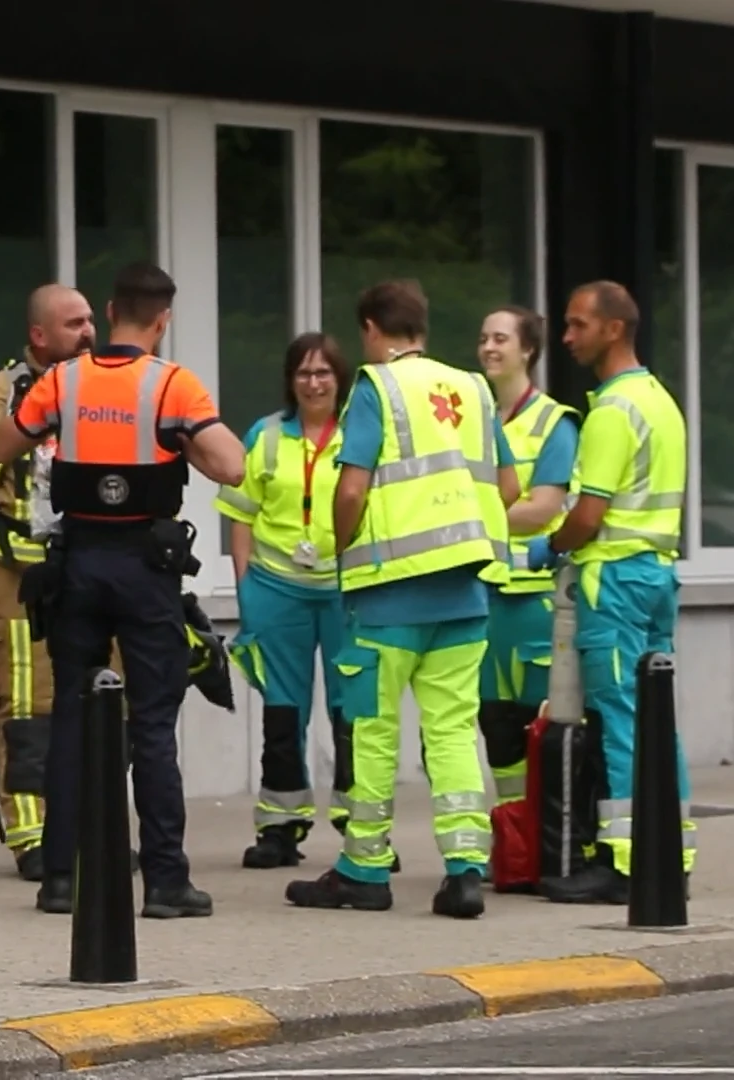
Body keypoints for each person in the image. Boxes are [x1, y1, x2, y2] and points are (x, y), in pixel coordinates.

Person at [0, 261, 245, 919]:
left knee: (72, 718)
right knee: (153, 726)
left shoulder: (64, 380)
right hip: (144, 569)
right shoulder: (172, 386)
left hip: (77, 566)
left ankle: (62, 880)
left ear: (107, 311)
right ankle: (164, 883)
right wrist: (181, 444)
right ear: (163, 318)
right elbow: (233, 466)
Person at [285, 278, 519, 920]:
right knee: (450, 734)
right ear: (424, 326)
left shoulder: (376, 387)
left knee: (375, 732)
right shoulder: (472, 387)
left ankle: (364, 869)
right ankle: (466, 871)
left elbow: (353, 489)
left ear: (370, 328)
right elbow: (508, 483)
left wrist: (343, 548)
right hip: (465, 593)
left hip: (388, 595)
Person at [523, 280, 694, 905]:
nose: (566, 338)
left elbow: (589, 514)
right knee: (659, 720)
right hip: (655, 575)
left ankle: (626, 862)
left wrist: (554, 546)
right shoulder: (661, 402)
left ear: (613, 328)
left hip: (615, 579)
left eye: (576, 325)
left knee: (619, 718)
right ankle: (672, 851)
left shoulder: (612, 412)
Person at [0, 283, 99, 881]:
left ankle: (90, 828)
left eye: (90, 321)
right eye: (74, 323)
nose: (88, 333)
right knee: (29, 709)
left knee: (99, 704)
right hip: (19, 579)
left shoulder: (101, 389)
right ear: (39, 335)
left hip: (90, 575)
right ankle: (34, 837)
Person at [217, 332, 365, 870]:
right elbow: (239, 516)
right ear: (290, 380)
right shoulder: (266, 435)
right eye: (303, 372)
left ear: (340, 379)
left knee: (354, 713)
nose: (314, 382)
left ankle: (363, 831)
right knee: (283, 713)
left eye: (324, 372)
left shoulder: (360, 433)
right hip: (277, 587)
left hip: (346, 590)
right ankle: (280, 828)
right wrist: (245, 589)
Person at [474, 305, 579, 888]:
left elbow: (545, 505)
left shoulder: (554, 422)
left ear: (528, 350)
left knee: (547, 728)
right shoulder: (471, 416)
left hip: (538, 603)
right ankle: (517, 852)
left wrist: (474, 515)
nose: (489, 347)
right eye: (484, 338)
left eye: (501, 338)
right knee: (497, 729)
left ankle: (555, 849)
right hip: (488, 595)